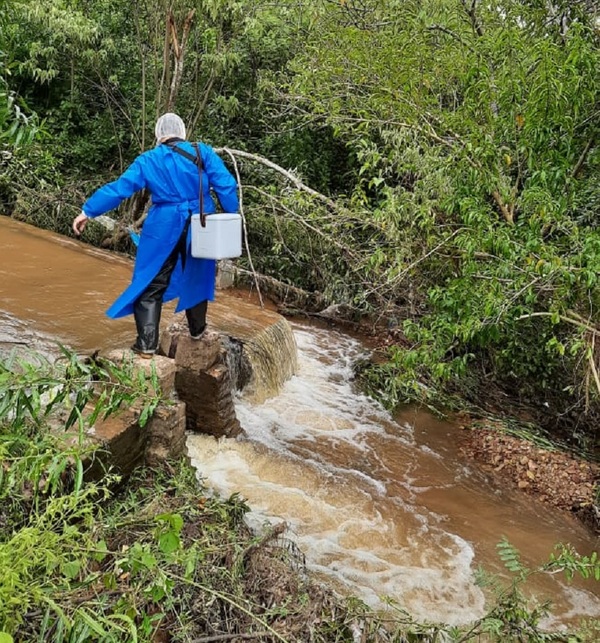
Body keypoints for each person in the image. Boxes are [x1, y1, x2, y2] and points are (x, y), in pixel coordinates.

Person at [72, 113, 239, 358]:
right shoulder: (202, 152)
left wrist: (88, 210)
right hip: (200, 222)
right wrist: (231, 213)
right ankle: (197, 332)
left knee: (151, 281)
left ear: (159, 135)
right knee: (197, 274)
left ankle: (147, 344)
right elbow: (226, 184)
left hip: (163, 224)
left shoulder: (148, 159)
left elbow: (120, 189)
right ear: (182, 131)